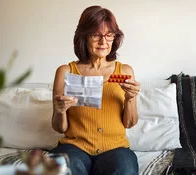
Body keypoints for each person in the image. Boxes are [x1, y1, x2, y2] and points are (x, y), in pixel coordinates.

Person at [50, 5, 140, 175]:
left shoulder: (125, 71)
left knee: (125, 170)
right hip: (74, 147)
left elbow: (130, 123)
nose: (103, 41)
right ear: (84, 36)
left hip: (116, 149)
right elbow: (59, 128)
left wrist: (130, 99)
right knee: (61, 169)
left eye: (109, 35)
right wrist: (60, 111)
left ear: (115, 38)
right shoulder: (66, 71)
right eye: (96, 35)